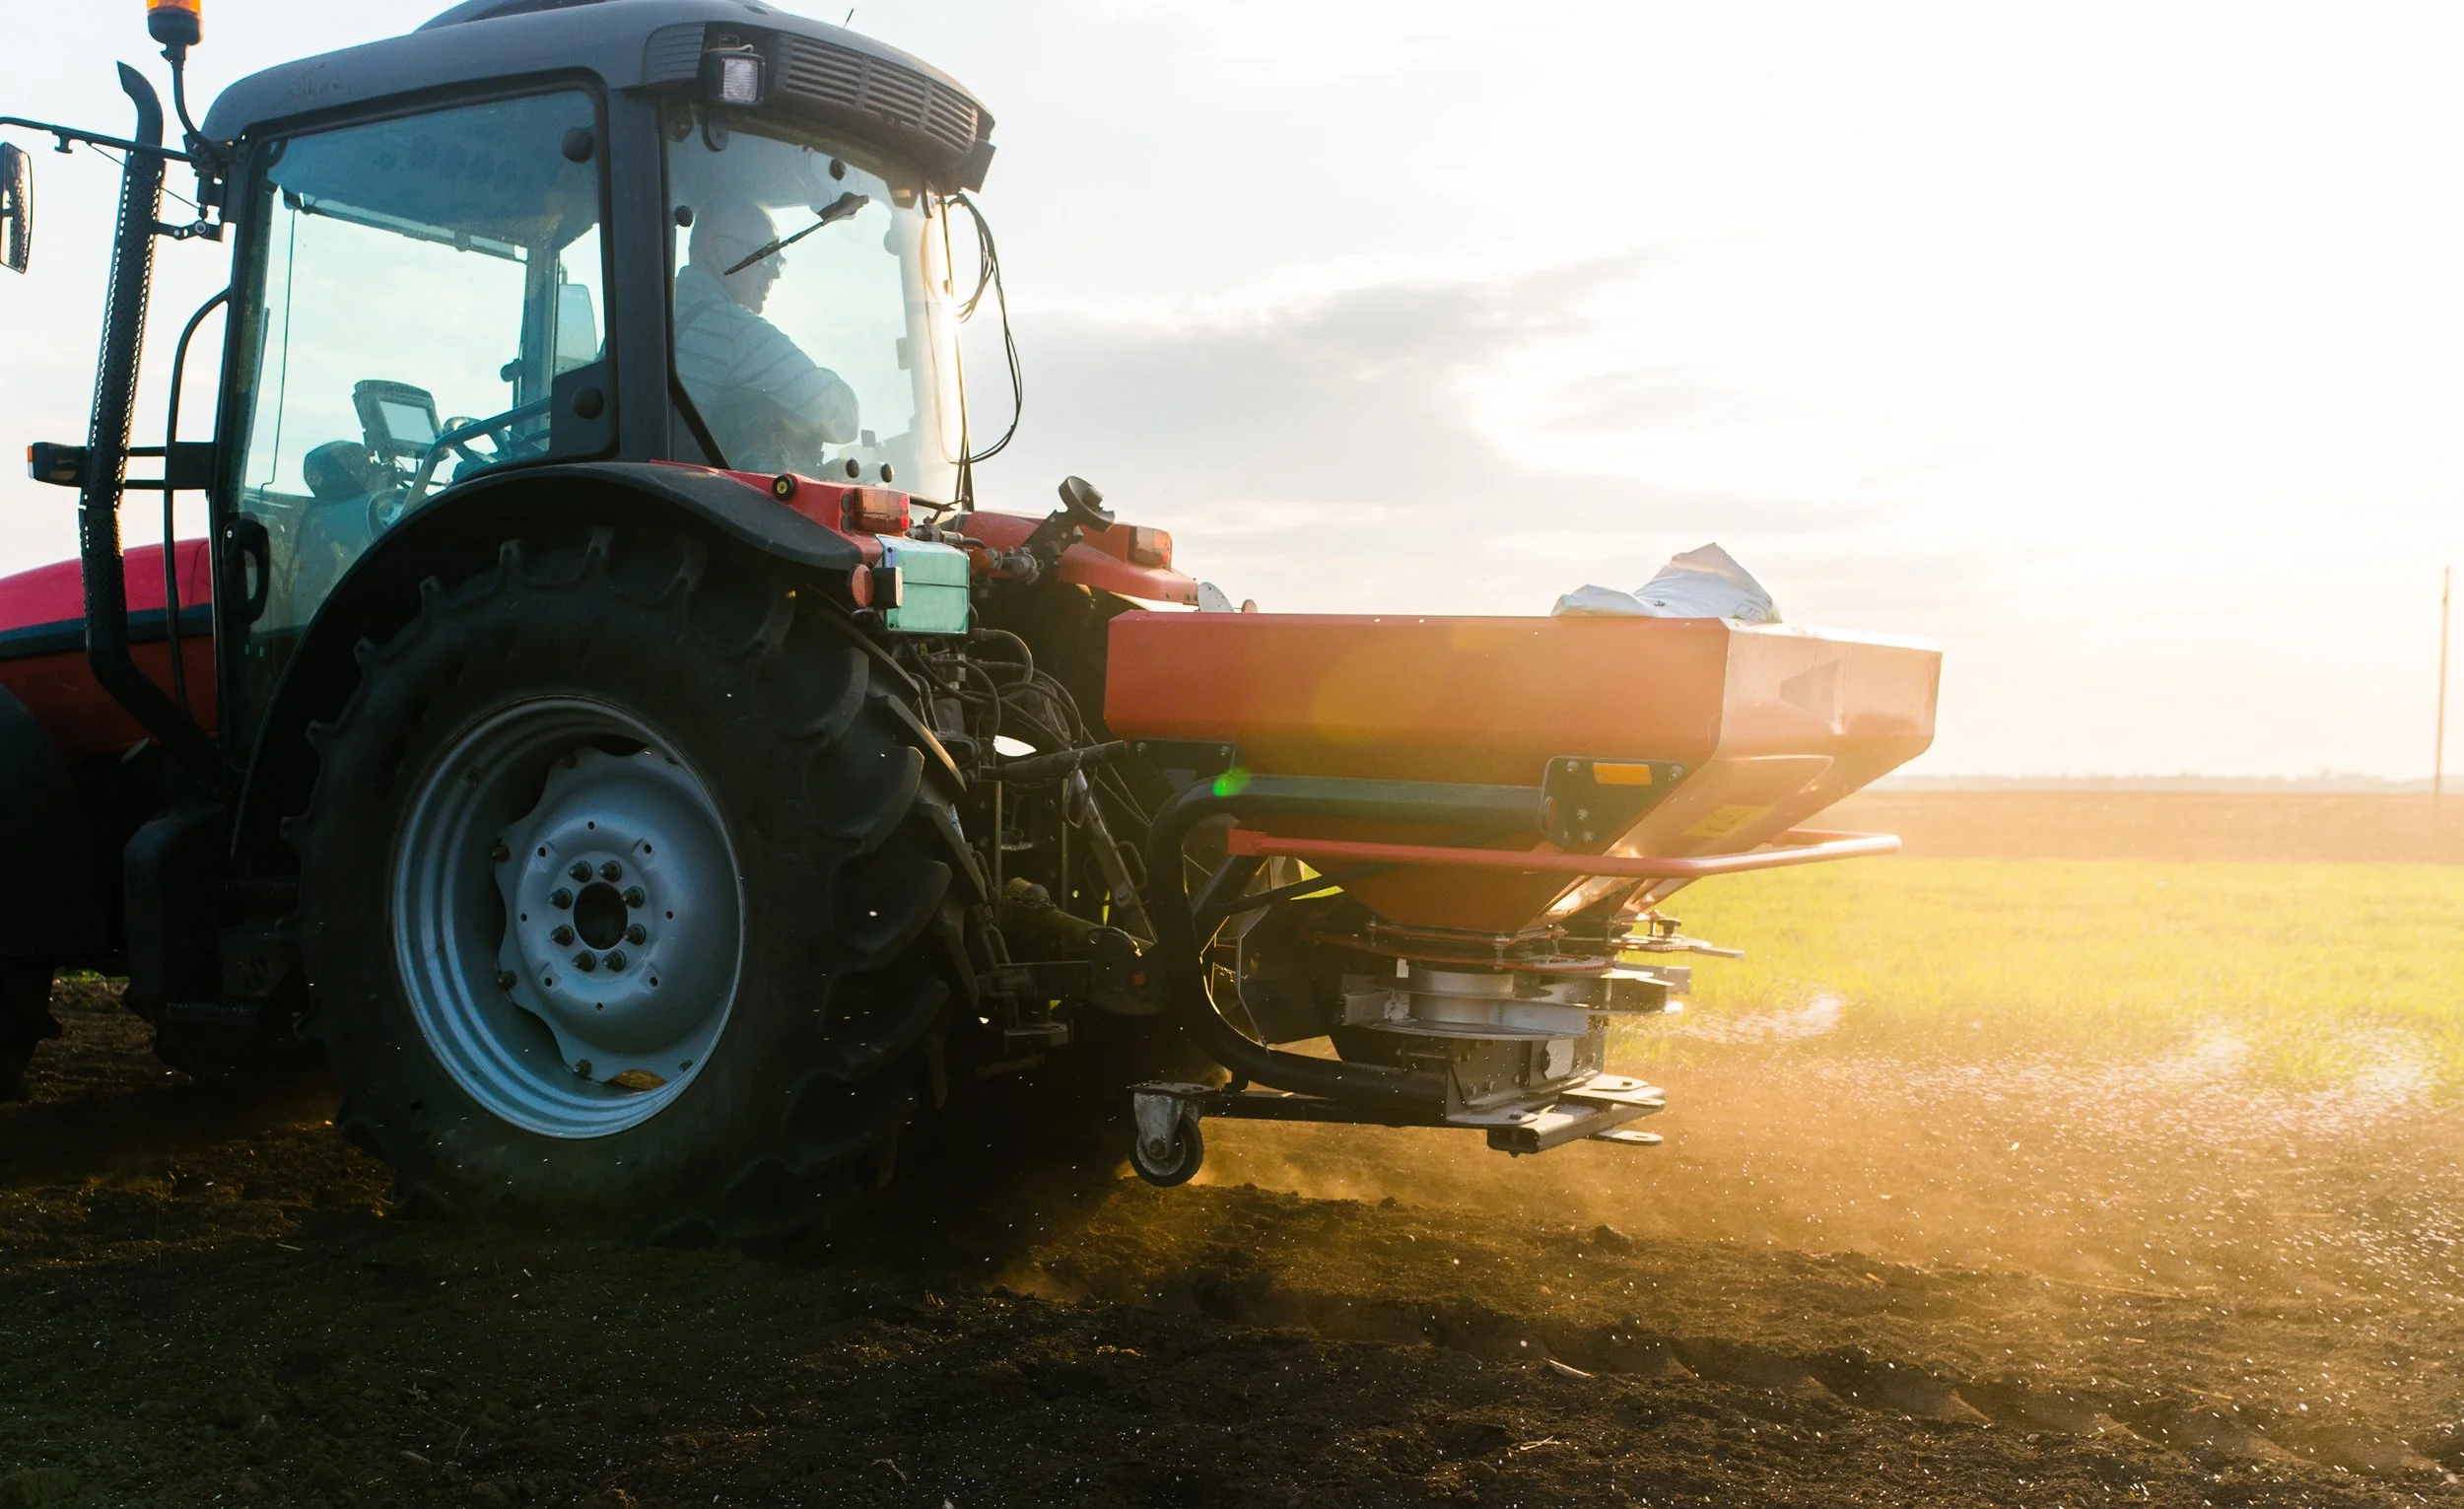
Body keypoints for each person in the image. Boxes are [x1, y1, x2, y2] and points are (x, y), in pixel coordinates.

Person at [672, 198, 860, 471]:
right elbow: (840, 419)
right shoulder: (733, 328)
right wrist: (830, 380)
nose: (775, 272)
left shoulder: (645, 319)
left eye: (778, 260)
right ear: (715, 248)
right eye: (766, 256)